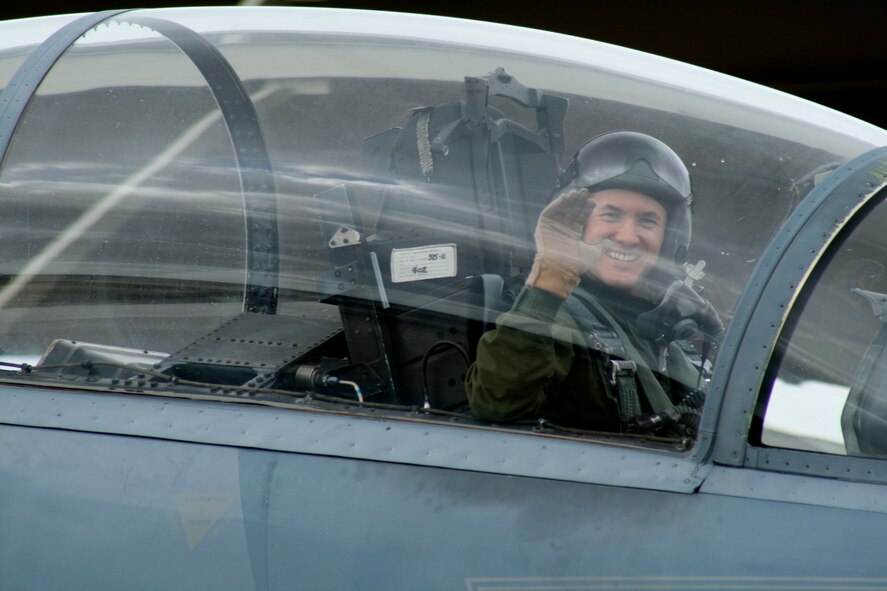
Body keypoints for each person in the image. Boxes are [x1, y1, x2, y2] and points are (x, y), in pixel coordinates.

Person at [465, 131, 721, 435]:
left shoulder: (666, 329)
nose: (627, 236)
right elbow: (497, 403)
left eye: (647, 221)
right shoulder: (554, 321)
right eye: (611, 215)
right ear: (577, 225)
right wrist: (551, 279)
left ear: (669, 237)